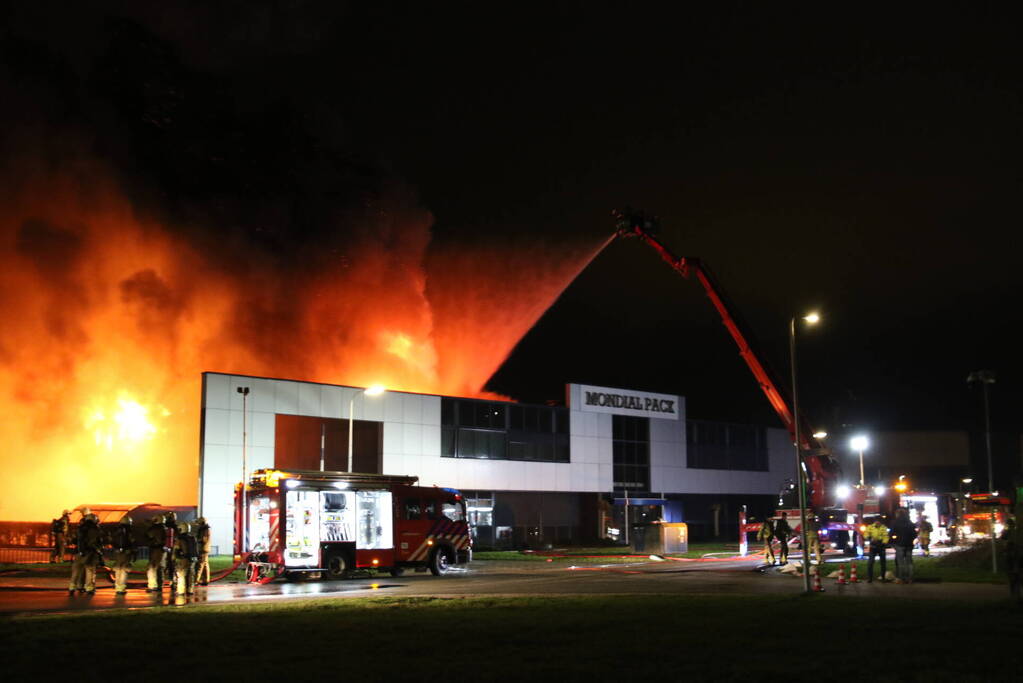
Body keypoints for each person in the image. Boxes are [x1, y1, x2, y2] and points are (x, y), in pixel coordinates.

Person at [68, 513, 103, 594]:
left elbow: (74, 540)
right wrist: (98, 550)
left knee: (76, 571)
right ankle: (89, 588)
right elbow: (93, 542)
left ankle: (72, 587)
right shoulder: (94, 529)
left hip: (78, 552)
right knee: (90, 570)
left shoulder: (80, 528)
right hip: (89, 552)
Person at [890, 507, 917, 584]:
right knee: (909, 562)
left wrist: (892, 542)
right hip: (909, 544)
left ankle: (901, 578)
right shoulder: (910, 522)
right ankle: (910, 579)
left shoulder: (895, 522)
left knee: (900, 562)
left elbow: (891, 534)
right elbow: (914, 534)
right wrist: (911, 540)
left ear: (897, 514)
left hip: (899, 544)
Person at [111, 515, 136, 594]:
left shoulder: (116, 530)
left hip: (117, 553)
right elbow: (132, 542)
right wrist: (133, 551)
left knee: (118, 569)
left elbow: (112, 541)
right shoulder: (129, 531)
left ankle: (117, 587)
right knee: (124, 570)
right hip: (126, 553)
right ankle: (121, 588)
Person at [174, 522, 198, 596]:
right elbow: (196, 549)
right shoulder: (193, 538)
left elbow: (176, 550)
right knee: (191, 575)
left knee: (181, 575)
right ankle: (190, 590)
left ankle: (180, 590)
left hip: (184, 559)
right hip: (193, 559)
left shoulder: (180, 539)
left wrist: (175, 557)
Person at [863, 516, 890, 582]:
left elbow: (886, 536)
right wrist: (869, 538)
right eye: (876, 521)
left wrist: (883, 543)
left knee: (883, 563)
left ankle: (883, 577)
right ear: (874, 521)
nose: (877, 522)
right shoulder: (870, 527)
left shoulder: (883, 527)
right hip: (873, 546)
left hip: (881, 546)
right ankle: (870, 578)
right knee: (870, 562)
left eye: (879, 521)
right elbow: (865, 534)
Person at [146, 515, 166, 592]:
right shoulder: (165, 528)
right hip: (162, 551)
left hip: (155, 550)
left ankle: (152, 585)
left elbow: (148, 535)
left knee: (152, 567)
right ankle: (160, 585)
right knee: (160, 568)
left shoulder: (155, 529)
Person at [194, 517, 212, 585]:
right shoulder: (205, 529)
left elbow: (204, 539)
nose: (198, 524)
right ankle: (206, 580)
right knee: (205, 565)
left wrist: (197, 540)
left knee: (200, 564)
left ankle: (196, 580)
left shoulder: (205, 530)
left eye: (199, 523)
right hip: (205, 549)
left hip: (203, 549)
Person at [163, 511, 178, 591]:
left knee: (164, 565)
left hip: (164, 548)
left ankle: (160, 582)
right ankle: (172, 581)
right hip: (173, 549)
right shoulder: (175, 527)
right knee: (172, 565)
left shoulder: (164, 526)